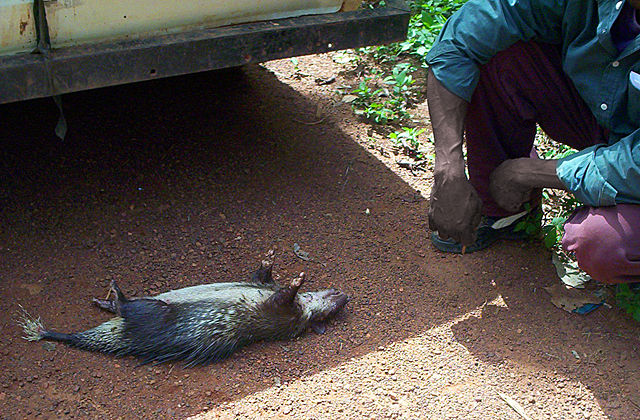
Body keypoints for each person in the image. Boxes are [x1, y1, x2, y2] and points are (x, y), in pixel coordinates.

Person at [425, 0, 640, 284]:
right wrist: (448, 168)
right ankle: (506, 214)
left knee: (603, 244)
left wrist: (529, 173)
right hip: (608, 112)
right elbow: (466, 34)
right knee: (500, 51)